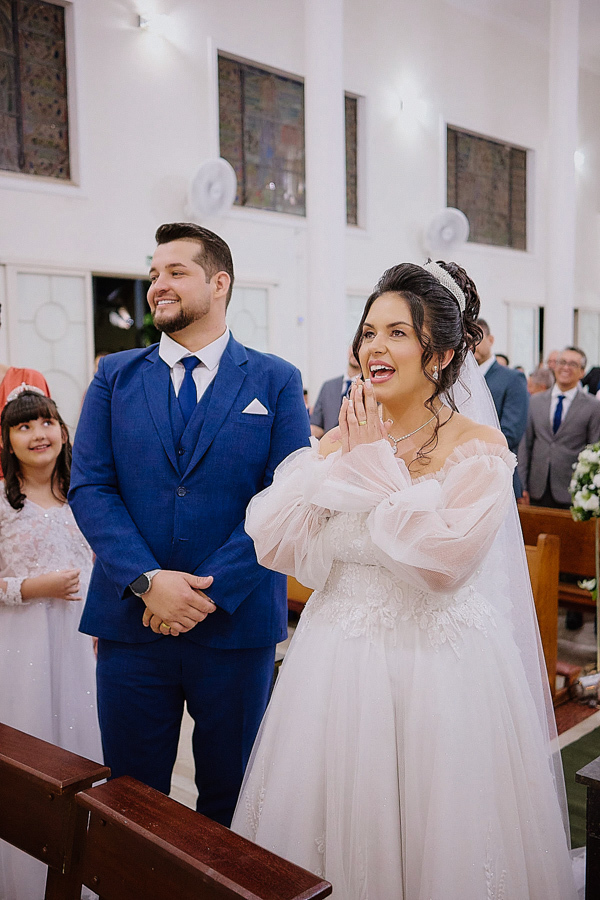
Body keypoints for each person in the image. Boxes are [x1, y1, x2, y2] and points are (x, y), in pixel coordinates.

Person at [231, 261, 577, 900]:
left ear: (441, 353)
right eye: (368, 332)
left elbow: (441, 565)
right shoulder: (342, 435)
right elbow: (274, 538)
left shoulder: (479, 449)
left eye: (395, 333)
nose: (374, 348)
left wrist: (370, 463)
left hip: (438, 671)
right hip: (335, 663)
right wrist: (335, 454)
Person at [69, 222, 310, 828]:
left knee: (231, 801)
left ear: (219, 282)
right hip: (132, 621)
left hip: (235, 623)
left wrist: (205, 592)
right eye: (153, 274)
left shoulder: (275, 380)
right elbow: (90, 486)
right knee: (131, 800)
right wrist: (149, 580)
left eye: (175, 272)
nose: (157, 286)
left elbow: (286, 498)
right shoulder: (114, 376)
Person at [0, 388, 101, 900]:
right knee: (30, 743)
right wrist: (30, 588)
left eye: (46, 422)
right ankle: (20, 875)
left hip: (81, 642)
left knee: (80, 739)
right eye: (23, 426)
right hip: (19, 646)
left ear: (62, 429)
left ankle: (80, 871)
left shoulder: (87, 494)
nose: (38, 434)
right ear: (8, 441)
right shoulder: (1, 503)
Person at [518, 346, 600, 510]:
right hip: (536, 490)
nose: (566, 367)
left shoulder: (593, 406)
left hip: (571, 492)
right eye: (562, 362)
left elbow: (594, 448)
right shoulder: (535, 401)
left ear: (582, 372)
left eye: (573, 364)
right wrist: (522, 485)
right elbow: (525, 446)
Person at [474, 318, 529, 495]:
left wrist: (468, 448)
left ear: (490, 340)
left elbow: (511, 433)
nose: (471, 345)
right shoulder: (456, 379)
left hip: (497, 472)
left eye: (476, 338)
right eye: (466, 340)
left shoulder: (512, 379)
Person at [310, 347, 361, 438]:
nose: (356, 351)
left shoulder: (372, 388)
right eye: (354, 346)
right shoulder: (328, 386)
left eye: (360, 347)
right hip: (328, 448)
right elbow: (316, 425)